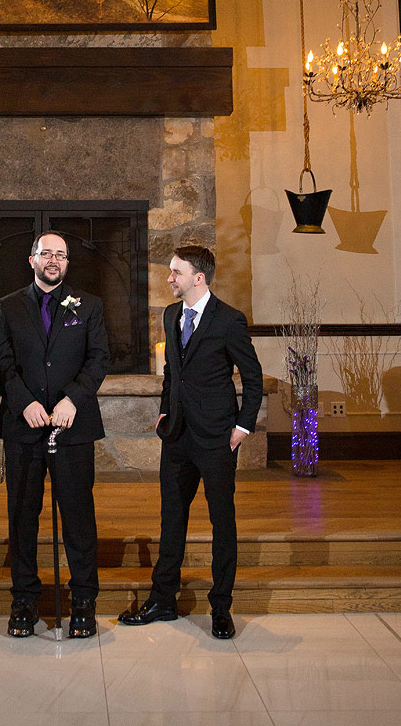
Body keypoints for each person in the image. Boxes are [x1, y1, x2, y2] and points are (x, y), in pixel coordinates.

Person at [119, 245, 262, 639]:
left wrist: (243, 427)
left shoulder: (230, 320)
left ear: (198, 278)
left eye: (175, 272)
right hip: (177, 437)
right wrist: (165, 410)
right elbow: (172, 375)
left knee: (222, 523)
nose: (169, 279)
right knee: (172, 520)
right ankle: (162, 600)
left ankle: (221, 608)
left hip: (217, 439)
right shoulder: (170, 315)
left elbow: (253, 378)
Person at [0, 230, 110, 639]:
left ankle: (83, 602)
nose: (53, 260)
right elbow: (0, 362)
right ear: (32, 259)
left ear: (67, 263)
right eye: (46, 253)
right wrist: (24, 402)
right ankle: (24, 600)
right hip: (24, 427)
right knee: (23, 517)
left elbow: (98, 359)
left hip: (72, 426)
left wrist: (72, 399)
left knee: (78, 518)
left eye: (60, 254)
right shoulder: (8, 307)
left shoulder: (89, 306)